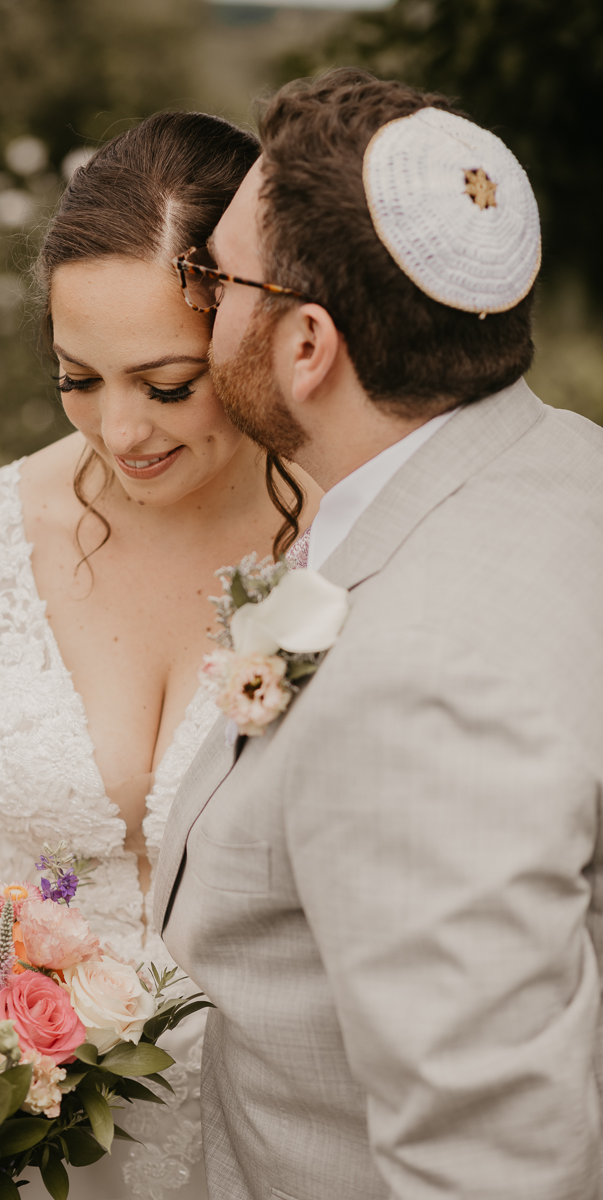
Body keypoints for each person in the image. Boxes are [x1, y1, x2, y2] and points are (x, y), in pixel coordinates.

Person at [155, 69, 603, 1200]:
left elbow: (486, 1166)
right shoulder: (567, 469)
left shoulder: (414, 683)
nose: (197, 307)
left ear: (307, 345)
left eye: (213, 274)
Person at [0, 111, 318, 1200]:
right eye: (78, 378)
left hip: (301, 1149)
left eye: (165, 384)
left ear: (256, 336)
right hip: (35, 1168)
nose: (121, 433)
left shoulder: (349, 538)